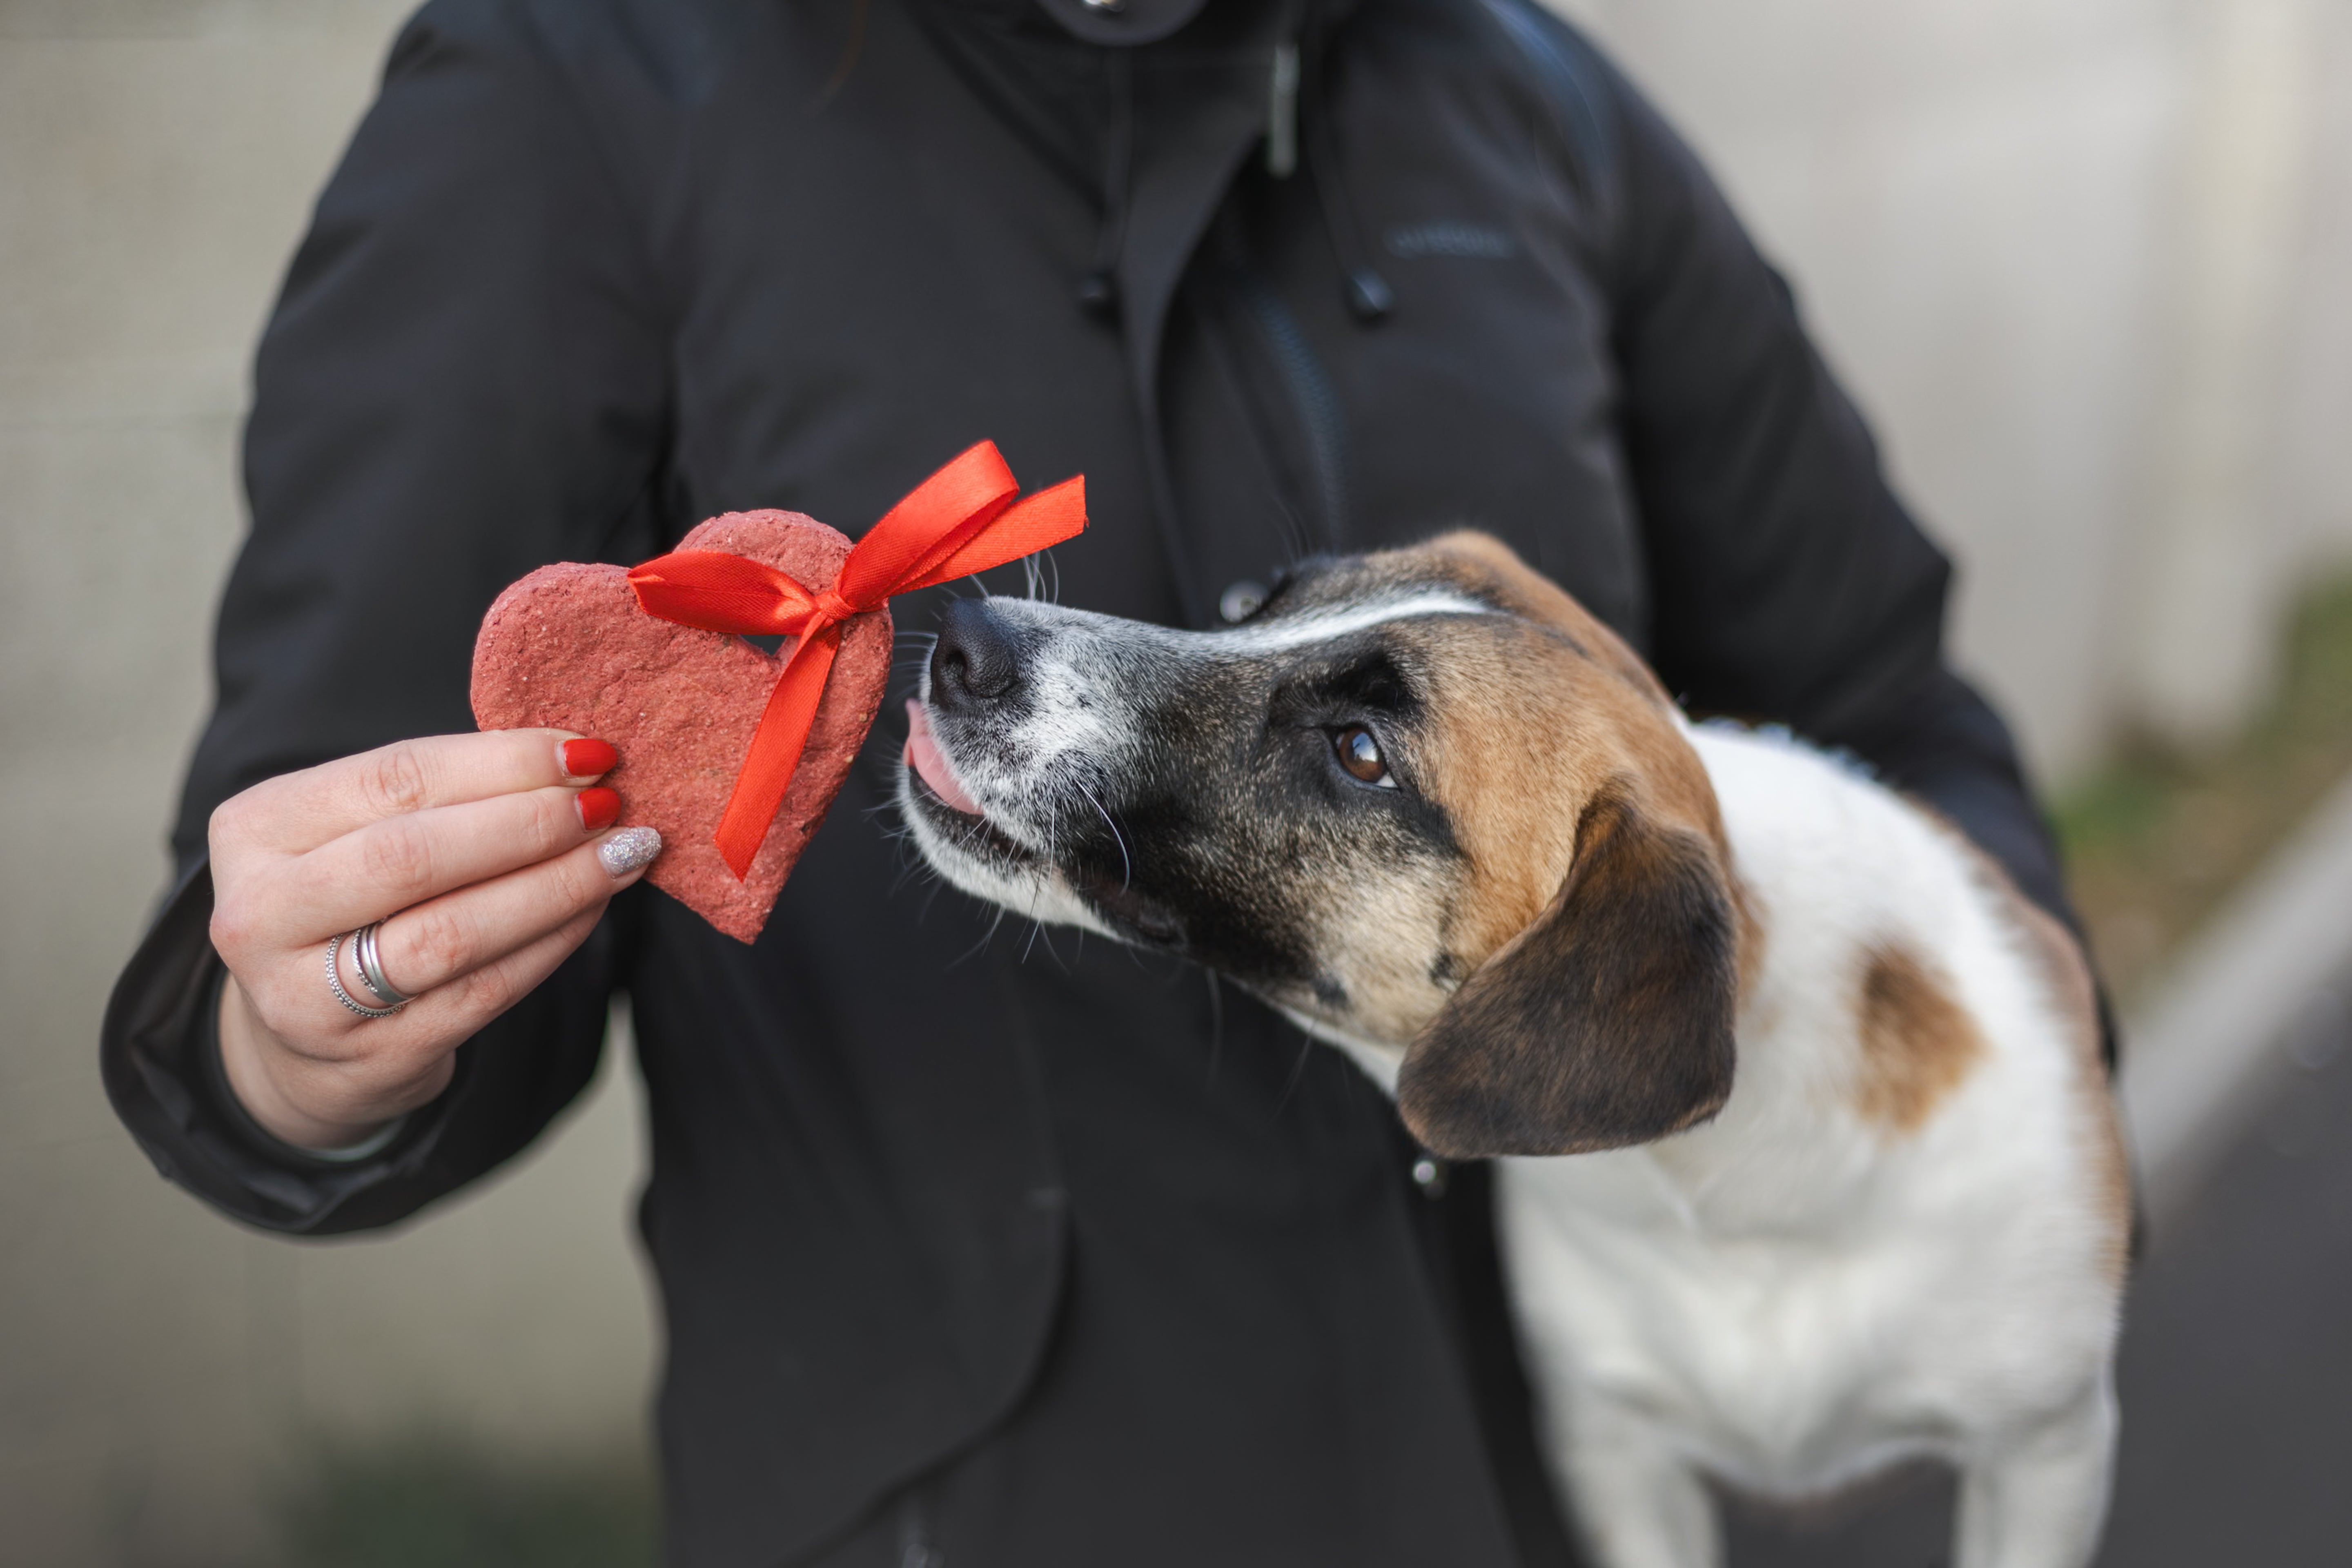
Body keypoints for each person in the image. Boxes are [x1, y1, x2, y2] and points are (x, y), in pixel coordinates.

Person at [100, 0, 2089, 1563]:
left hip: (1564, 1479)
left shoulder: (1522, 90)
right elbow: (299, 907)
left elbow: (1894, 708)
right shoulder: (573, 83)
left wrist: (2016, 1109)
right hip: (977, 1514)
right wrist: (304, 1050)